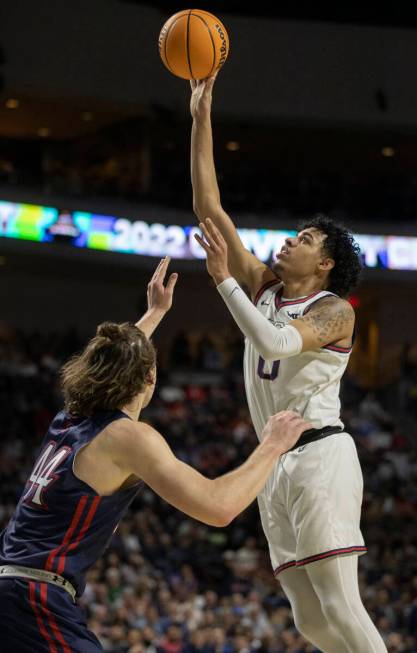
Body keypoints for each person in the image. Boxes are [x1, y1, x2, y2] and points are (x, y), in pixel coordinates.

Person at [0, 256, 309, 653]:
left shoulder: (70, 419)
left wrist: (154, 313)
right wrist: (271, 445)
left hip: (15, 588)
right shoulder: (128, 437)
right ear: (151, 378)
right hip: (33, 597)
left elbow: (111, 362)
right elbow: (219, 507)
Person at [189, 74, 388, 653]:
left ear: (324, 263)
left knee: (340, 603)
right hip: (272, 461)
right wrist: (201, 118)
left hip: (322, 453)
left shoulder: (334, 312)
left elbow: (276, 346)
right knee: (309, 619)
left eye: (303, 239)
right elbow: (208, 207)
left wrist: (224, 281)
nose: (289, 241)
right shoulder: (267, 287)